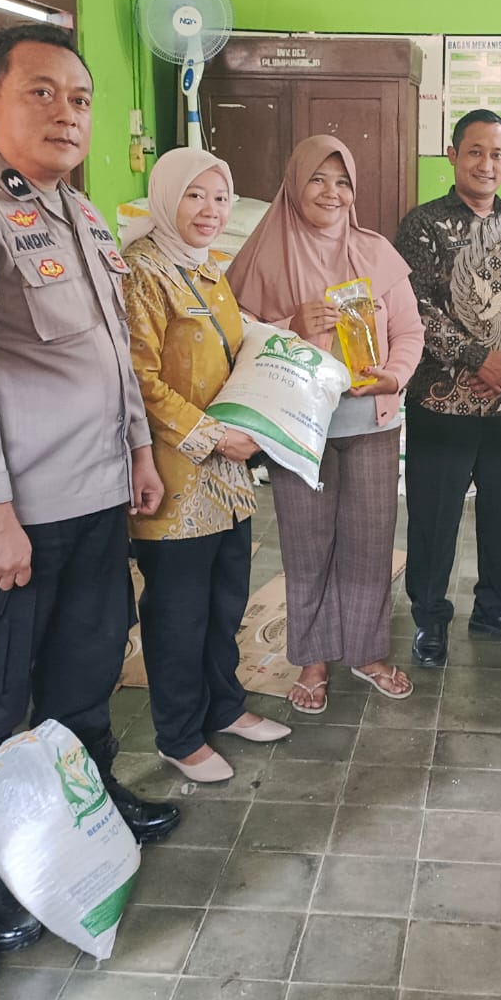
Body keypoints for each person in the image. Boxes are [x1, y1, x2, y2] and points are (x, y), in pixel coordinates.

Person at [0, 23, 176, 955]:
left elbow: (113, 354)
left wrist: (139, 448)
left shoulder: (81, 214)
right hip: (14, 518)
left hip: (95, 496)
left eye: (80, 99)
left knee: (86, 675)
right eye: (41, 93)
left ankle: (84, 810)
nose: (66, 114)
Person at [225, 135, 425, 714]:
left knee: (370, 541)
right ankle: (312, 658)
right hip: (298, 430)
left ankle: (366, 651)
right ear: (294, 182)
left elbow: (409, 332)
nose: (331, 192)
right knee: (306, 542)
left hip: (368, 423)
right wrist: (291, 324)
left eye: (342, 182)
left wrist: (392, 377)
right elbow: (232, 337)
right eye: (317, 179)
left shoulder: (376, 253)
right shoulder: (263, 254)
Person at [124, 147, 291, 782]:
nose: (210, 210)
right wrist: (213, 437)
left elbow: (231, 349)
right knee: (178, 612)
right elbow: (138, 379)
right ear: (167, 197)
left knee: (225, 601)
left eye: (220, 198)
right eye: (195, 195)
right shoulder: (142, 271)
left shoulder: (206, 268)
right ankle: (179, 733)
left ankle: (224, 705)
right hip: (171, 476)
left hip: (227, 477)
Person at [394, 109, 501, 667]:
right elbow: (415, 306)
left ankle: (496, 608)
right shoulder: (422, 226)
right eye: (475, 151)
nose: (486, 164)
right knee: (434, 515)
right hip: (442, 399)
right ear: (454, 155)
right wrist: (476, 359)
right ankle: (430, 617)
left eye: (497, 154)